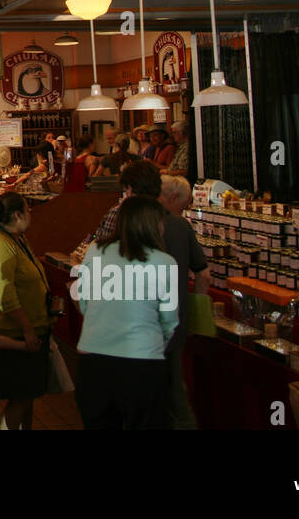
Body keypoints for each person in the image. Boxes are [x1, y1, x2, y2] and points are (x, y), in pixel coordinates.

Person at [74, 195, 179, 430]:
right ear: (152, 225)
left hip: (93, 359)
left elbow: (84, 302)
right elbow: (170, 320)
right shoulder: (165, 262)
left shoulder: (95, 252)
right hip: (142, 363)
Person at [0, 192, 51, 430]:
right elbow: (4, 296)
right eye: (28, 210)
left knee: (28, 396)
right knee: (20, 397)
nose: (31, 215)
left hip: (30, 329)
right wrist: (27, 328)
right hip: (10, 333)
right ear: (18, 214)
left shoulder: (17, 238)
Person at [157, 173, 211, 430]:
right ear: (173, 198)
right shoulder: (180, 226)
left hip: (143, 324)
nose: (185, 209)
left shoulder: (138, 224)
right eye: (184, 204)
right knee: (176, 391)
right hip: (175, 321)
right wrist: (198, 314)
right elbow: (203, 274)